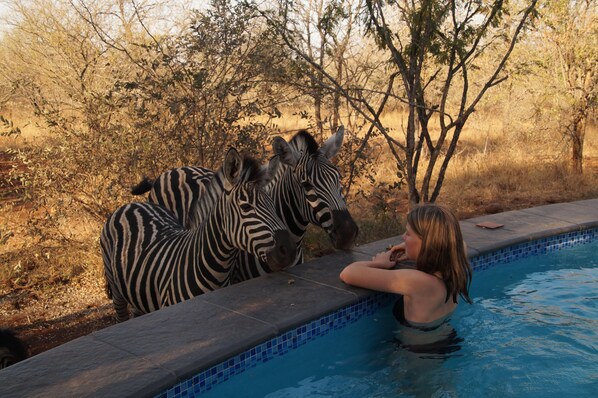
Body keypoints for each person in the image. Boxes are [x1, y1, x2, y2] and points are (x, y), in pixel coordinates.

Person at [340, 203, 472, 334]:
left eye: (408, 234)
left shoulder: (417, 282)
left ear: (427, 243)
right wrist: (411, 247)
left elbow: (348, 273)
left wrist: (380, 263)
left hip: (417, 354)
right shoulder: (457, 266)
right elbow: (459, 244)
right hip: (447, 339)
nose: (403, 237)